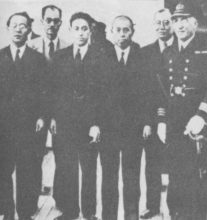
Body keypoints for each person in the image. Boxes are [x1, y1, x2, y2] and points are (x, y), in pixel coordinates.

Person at [155, 1, 207, 219]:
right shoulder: (169, 52)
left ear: (195, 22)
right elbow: (162, 91)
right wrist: (162, 120)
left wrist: (202, 116)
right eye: (175, 20)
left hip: (197, 125)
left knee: (196, 179)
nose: (179, 25)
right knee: (175, 177)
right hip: (173, 124)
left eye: (184, 20)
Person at [0, 11, 47, 220]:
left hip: (28, 124)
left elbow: (44, 91)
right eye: (14, 25)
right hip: (4, 124)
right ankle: (8, 212)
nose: (18, 29)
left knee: (26, 170)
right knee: (3, 170)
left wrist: (41, 116)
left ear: (29, 30)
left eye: (23, 26)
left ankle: (25, 212)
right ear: (8, 29)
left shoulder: (38, 59)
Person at [49, 12, 107, 220]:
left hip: (89, 124)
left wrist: (96, 124)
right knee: (67, 167)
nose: (81, 33)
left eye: (85, 29)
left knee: (89, 169)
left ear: (90, 31)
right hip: (64, 123)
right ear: (70, 30)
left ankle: (89, 213)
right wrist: (53, 117)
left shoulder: (101, 57)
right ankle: (70, 211)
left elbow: (103, 94)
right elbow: (53, 90)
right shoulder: (59, 56)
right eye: (77, 28)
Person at [100, 15, 144, 220]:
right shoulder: (102, 56)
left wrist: (146, 122)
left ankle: (132, 216)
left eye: (126, 30)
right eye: (117, 30)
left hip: (133, 129)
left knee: (131, 176)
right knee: (109, 176)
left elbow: (149, 93)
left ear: (132, 32)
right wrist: (96, 124)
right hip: (108, 128)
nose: (122, 34)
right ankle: (109, 216)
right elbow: (95, 94)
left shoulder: (141, 55)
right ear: (111, 32)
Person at [27, 4, 70, 196]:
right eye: (48, 20)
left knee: (63, 156)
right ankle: (31, 196)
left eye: (56, 21)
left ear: (60, 23)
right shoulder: (30, 47)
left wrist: (56, 115)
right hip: (35, 112)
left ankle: (61, 199)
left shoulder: (69, 47)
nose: (52, 25)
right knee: (33, 155)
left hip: (61, 112)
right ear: (42, 22)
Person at [140, 8, 174, 219]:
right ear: (154, 25)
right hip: (152, 116)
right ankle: (152, 207)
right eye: (158, 23)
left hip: (178, 116)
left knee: (176, 163)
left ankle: (173, 208)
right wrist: (149, 120)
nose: (162, 27)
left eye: (166, 23)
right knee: (152, 163)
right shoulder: (145, 53)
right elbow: (142, 90)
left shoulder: (181, 50)